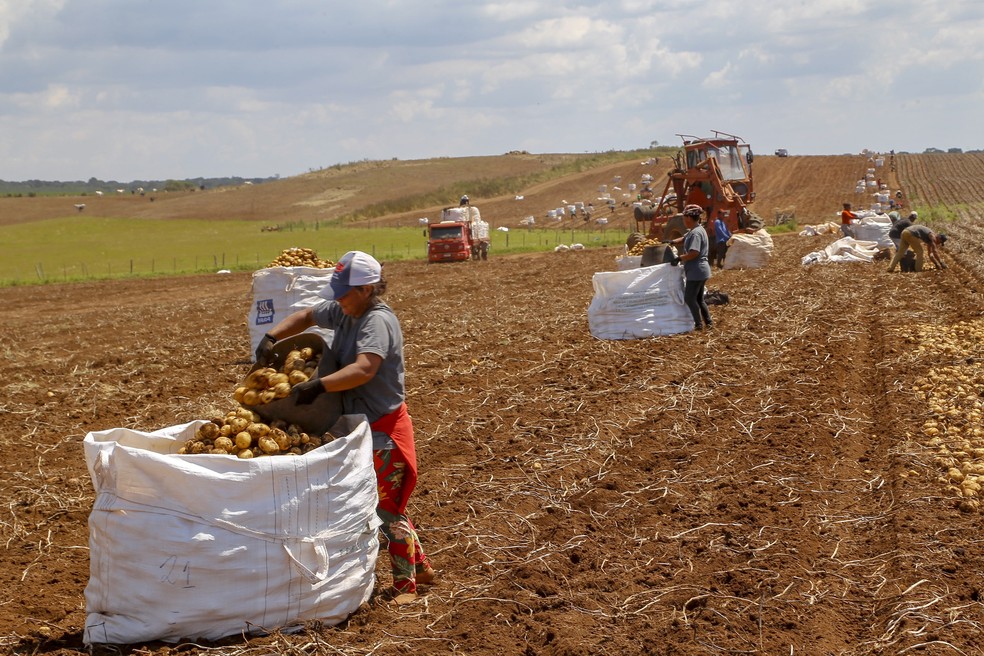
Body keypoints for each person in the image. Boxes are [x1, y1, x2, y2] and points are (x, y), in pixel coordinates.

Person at [254, 251, 435, 602]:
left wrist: (318, 385)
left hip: (385, 430)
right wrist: (271, 337)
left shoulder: (376, 322)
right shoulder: (345, 309)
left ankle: (405, 586)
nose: (337, 299)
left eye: (344, 292)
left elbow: (365, 368)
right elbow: (307, 315)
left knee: (385, 508)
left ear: (366, 289)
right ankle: (422, 568)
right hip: (361, 425)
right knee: (384, 504)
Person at [665, 204, 713, 331]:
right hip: (702, 270)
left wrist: (679, 258)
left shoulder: (696, 233)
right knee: (699, 298)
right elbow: (685, 238)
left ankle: (698, 324)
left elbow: (694, 253)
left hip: (696, 271)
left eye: (684, 218)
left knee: (689, 298)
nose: (683, 221)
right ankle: (709, 323)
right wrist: (673, 242)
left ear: (689, 218)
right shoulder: (697, 229)